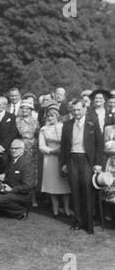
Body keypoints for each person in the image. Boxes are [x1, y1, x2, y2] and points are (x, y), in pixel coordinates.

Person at [60, 99, 103, 234]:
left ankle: (89, 224)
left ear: (85, 109)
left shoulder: (92, 123)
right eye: (73, 110)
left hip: (86, 159)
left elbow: (99, 144)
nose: (76, 112)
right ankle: (77, 221)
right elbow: (63, 147)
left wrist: (97, 163)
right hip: (72, 158)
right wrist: (64, 164)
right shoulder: (66, 125)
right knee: (75, 190)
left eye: (78, 109)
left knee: (87, 191)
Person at [0, 139, 35, 220]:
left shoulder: (26, 164)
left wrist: (11, 189)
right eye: (12, 148)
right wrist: (4, 175)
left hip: (23, 195)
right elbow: (12, 172)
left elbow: (27, 186)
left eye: (16, 148)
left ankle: (21, 211)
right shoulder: (13, 160)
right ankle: (8, 209)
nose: (13, 150)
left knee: (0, 200)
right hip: (14, 193)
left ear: (22, 150)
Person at [39, 105, 71, 217]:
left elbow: (68, 142)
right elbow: (41, 146)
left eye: (52, 115)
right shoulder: (44, 129)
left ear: (57, 116)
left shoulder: (64, 127)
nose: (50, 118)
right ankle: (55, 208)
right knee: (53, 184)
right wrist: (52, 151)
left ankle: (67, 208)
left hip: (63, 158)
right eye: (48, 116)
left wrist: (62, 151)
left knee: (65, 184)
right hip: (50, 159)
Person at [16, 99, 40, 207]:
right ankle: (20, 198)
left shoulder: (35, 121)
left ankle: (33, 198)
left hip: (32, 151)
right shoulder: (17, 120)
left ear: (31, 110)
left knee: (32, 174)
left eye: (27, 108)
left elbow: (37, 135)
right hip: (20, 149)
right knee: (20, 173)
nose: (25, 110)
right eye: (23, 108)